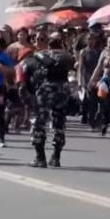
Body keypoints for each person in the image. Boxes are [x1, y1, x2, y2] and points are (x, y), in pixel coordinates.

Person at [21, 35, 75, 168]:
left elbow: (25, 75)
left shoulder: (37, 57)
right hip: (63, 89)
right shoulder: (66, 57)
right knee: (59, 123)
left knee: (39, 123)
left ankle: (40, 158)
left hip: (45, 91)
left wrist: (29, 93)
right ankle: (56, 157)